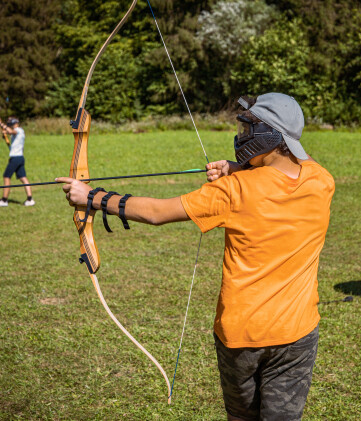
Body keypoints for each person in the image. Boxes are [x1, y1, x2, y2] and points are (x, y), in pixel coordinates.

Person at [57, 92, 335, 420]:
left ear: (268, 136)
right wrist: (237, 168)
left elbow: (158, 212)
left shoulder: (235, 191)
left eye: (249, 129)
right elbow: (289, 171)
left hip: (241, 338)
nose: (241, 135)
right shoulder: (322, 181)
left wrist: (92, 196)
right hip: (298, 334)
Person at [0, 116, 35, 206]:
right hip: (19, 158)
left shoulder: (19, 130)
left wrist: (1, 124)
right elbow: (10, 143)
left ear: (14, 123)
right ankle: (30, 199)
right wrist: (5, 136)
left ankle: (4, 200)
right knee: (23, 178)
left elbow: (11, 131)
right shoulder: (17, 133)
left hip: (15, 158)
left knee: (6, 177)